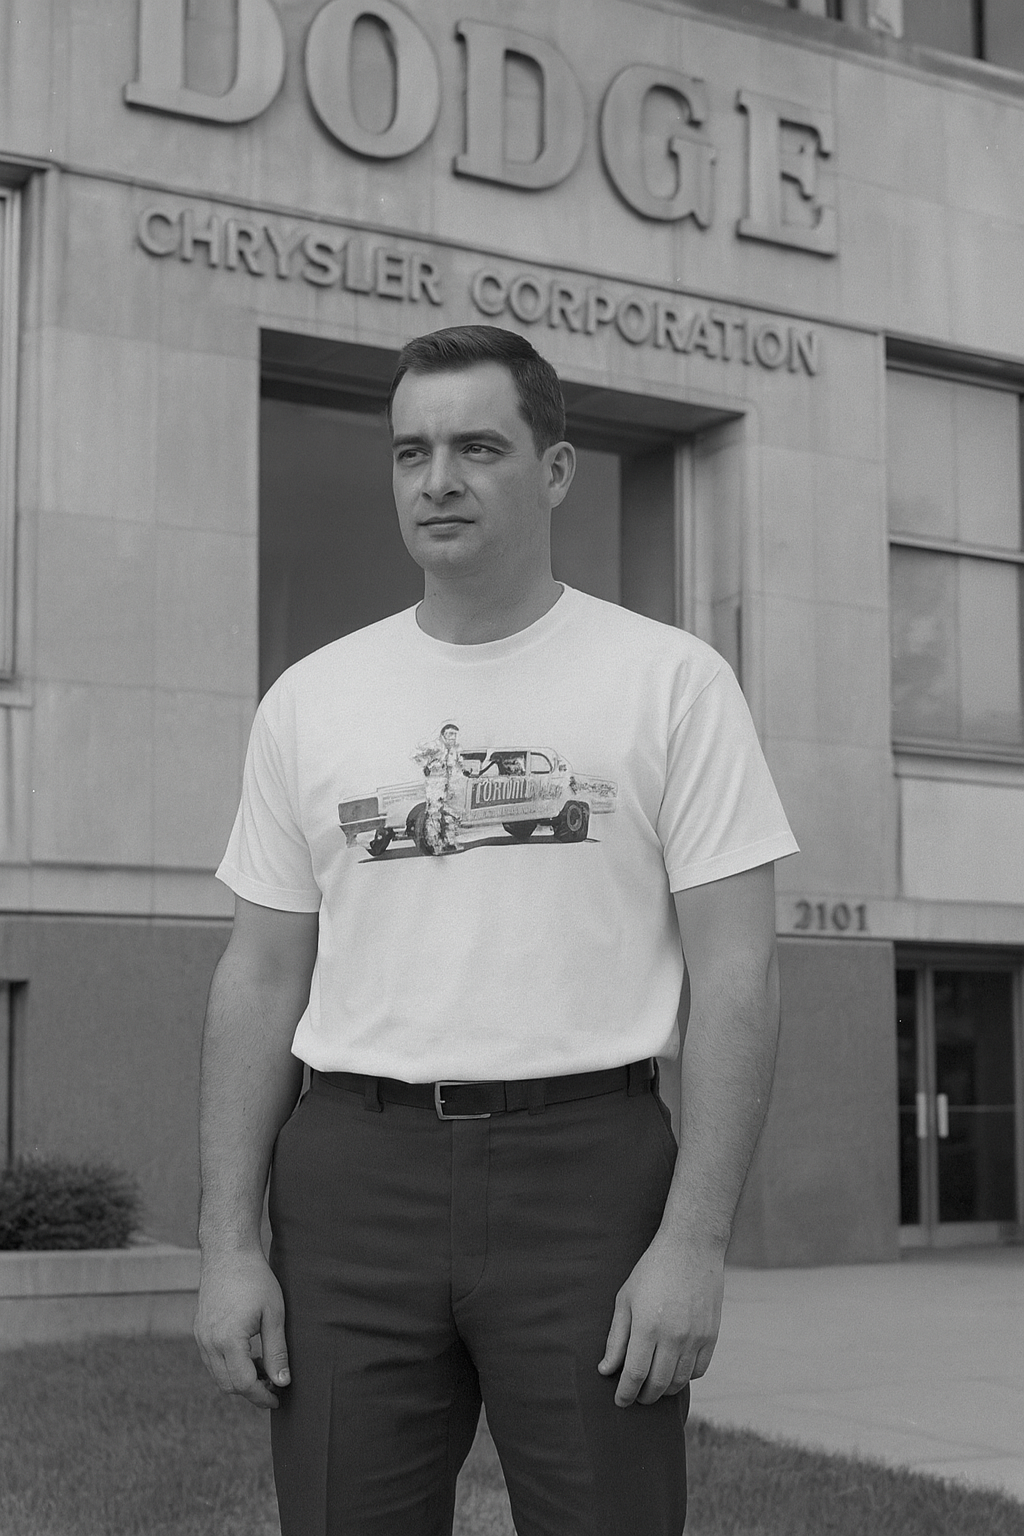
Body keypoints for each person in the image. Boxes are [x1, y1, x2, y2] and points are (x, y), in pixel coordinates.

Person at [193, 324, 798, 1536]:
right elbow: (259, 977)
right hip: (351, 1181)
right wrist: (227, 1245)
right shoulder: (310, 700)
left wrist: (694, 1241)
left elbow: (738, 972)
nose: (438, 480)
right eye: (410, 452)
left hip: (587, 1176)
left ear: (555, 470)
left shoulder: (670, 682)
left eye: (477, 448)